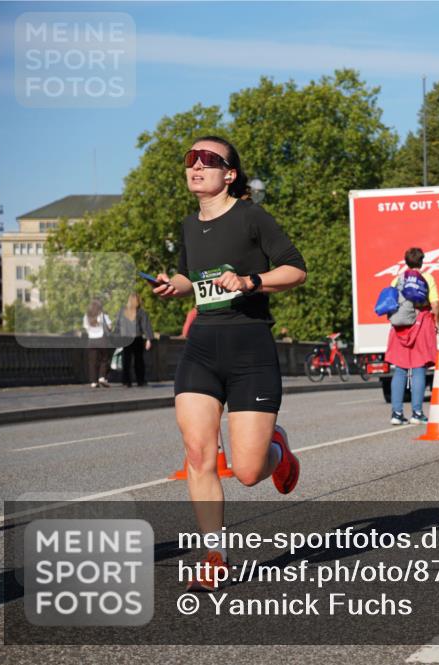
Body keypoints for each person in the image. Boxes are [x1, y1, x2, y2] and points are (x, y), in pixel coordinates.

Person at [152, 136, 307, 589]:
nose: (196, 166)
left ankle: (277, 451)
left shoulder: (251, 217)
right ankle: (213, 556)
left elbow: (295, 269)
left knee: (247, 471)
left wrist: (250, 280)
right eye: (190, 160)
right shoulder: (187, 224)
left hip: (250, 348)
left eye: (208, 160)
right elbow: (190, 277)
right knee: (199, 453)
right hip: (201, 348)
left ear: (230, 174)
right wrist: (173, 284)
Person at [386, 247, 439, 425]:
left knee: (400, 370)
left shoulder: (397, 279)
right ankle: (417, 413)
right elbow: (435, 303)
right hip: (421, 323)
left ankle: (396, 413)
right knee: (418, 368)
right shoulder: (427, 278)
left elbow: (390, 302)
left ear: (406, 261)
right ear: (422, 261)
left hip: (400, 327)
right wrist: (437, 322)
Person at [115, 292, 154, 387]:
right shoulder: (141, 312)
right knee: (139, 360)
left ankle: (126, 381)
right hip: (136, 337)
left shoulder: (122, 311)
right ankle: (140, 380)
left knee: (126, 361)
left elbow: (118, 325)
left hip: (125, 338)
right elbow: (145, 326)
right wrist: (149, 338)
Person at [83, 299, 112, 388]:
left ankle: (93, 382)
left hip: (91, 340)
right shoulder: (103, 315)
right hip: (101, 339)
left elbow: (86, 327)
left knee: (92, 362)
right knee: (104, 359)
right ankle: (102, 377)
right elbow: (110, 327)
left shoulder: (86, 316)